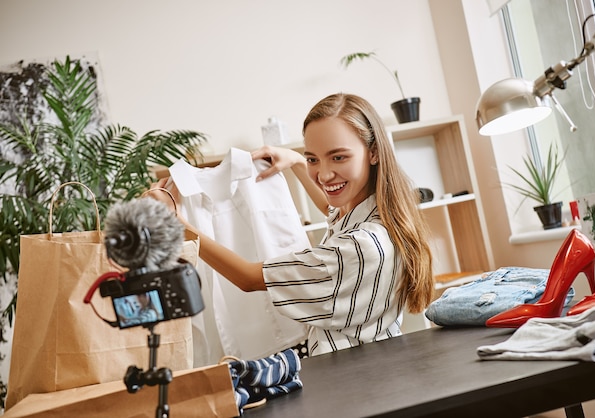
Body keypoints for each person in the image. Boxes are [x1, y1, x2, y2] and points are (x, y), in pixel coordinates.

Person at [151, 93, 434, 356]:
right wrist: (298, 162)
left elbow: (249, 279)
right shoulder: (375, 214)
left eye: (338, 157)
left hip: (356, 380)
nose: (323, 174)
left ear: (373, 153)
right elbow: (331, 209)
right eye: (314, 158)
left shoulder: (363, 245)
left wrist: (178, 226)